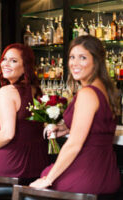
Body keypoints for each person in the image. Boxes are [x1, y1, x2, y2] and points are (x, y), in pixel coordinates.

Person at [29, 35, 121, 195]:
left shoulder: (87, 93)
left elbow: (74, 144)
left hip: (87, 173)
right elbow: (98, 127)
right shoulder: (106, 90)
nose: (74, 63)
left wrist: (48, 179)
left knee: (34, 187)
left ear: (96, 61)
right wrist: (66, 128)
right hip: (106, 171)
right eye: (72, 57)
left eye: (82, 57)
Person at [0, 43, 49, 185]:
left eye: (13, 61)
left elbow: (7, 134)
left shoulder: (7, 91)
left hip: (11, 165)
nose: (5, 64)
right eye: (4, 59)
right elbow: (27, 124)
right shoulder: (36, 90)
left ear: (25, 66)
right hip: (38, 165)